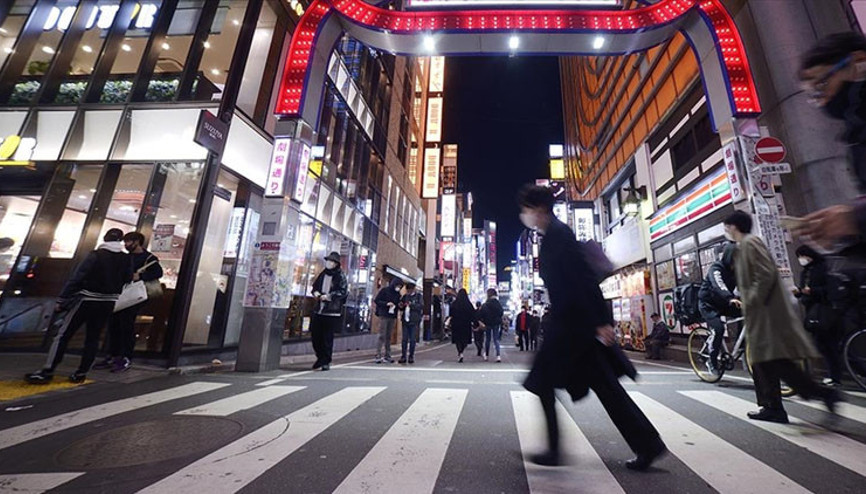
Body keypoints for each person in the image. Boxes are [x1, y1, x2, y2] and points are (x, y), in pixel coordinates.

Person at [518, 184, 666, 470]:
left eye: (526, 209)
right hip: (572, 326)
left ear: (539, 209)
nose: (524, 215)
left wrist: (600, 322)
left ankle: (555, 450)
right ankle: (648, 444)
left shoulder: (558, 236)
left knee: (546, 382)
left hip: (573, 328)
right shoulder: (553, 236)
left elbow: (582, 281)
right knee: (600, 387)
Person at [724, 211, 840, 423]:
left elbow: (765, 274)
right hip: (761, 314)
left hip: (766, 314)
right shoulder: (745, 246)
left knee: (773, 362)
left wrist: (750, 299)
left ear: (734, 226)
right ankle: (774, 407)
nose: (726, 231)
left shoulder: (750, 243)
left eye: (727, 227)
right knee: (766, 362)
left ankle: (820, 395)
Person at [26, 229, 133, 384]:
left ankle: (48, 370)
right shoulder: (125, 259)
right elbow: (128, 278)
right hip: (108, 302)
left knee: (63, 335)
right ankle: (81, 373)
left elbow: (77, 277)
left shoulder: (96, 255)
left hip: (87, 299)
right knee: (93, 338)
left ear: (105, 238)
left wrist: (62, 299)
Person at [796, 33, 866, 251]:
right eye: (814, 96)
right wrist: (848, 234)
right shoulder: (856, 133)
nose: (822, 101)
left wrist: (856, 219)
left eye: (823, 84)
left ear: (859, 62)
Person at [94, 232, 163, 373]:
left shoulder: (149, 258)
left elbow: (158, 273)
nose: (126, 244)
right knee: (114, 325)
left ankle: (125, 357)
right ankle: (112, 355)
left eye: (129, 242)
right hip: (120, 294)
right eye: (125, 242)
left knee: (126, 325)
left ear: (137, 242)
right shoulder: (124, 256)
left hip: (134, 297)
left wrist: (141, 276)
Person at [793, 245, 842, 386]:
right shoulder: (805, 272)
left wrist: (812, 291)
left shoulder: (823, 268)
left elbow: (830, 290)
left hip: (825, 310)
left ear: (809, 255)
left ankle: (835, 376)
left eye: (802, 256)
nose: (801, 259)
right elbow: (804, 292)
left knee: (829, 345)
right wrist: (799, 292)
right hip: (812, 311)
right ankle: (832, 375)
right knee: (822, 345)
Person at [697, 242, 741, 374]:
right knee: (719, 328)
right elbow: (718, 284)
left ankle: (742, 344)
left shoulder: (736, 271)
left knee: (747, 313)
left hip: (723, 303)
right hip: (708, 305)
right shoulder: (716, 268)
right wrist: (729, 297)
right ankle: (711, 360)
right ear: (729, 257)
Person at [309, 251, 348, 371]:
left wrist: (329, 296)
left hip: (332, 311)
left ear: (336, 264)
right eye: (328, 261)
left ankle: (326, 360)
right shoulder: (323, 274)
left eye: (332, 261)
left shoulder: (340, 276)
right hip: (319, 309)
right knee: (315, 336)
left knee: (327, 337)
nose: (329, 263)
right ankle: (320, 357)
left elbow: (343, 292)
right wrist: (315, 292)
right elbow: (315, 286)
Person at [374, 277, 403, 363]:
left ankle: (387, 355)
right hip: (384, 315)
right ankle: (377, 354)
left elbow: (398, 304)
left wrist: (399, 305)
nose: (398, 287)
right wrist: (386, 304)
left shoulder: (398, 294)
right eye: (398, 285)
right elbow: (377, 300)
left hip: (392, 316)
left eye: (400, 286)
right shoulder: (385, 290)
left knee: (389, 336)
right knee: (381, 335)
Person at [399, 282, 423, 364]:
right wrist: (401, 305)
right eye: (407, 290)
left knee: (412, 339)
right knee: (404, 339)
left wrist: (411, 305)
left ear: (413, 289)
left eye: (410, 290)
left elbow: (421, 306)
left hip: (414, 320)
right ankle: (403, 356)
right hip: (405, 320)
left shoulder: (419, 296)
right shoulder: (405, 297)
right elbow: (401, 306)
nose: (408, 291)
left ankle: (411, 356)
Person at [478, 288, 504, 362]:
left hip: (488, 323)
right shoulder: (498, 303)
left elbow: (481, 314)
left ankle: (486, 355)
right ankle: (498, 356)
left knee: (488, 339)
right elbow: (501, 313)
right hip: (496, 323)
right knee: (496, 339)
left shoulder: (485, 304)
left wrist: (483, 321)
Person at [450, 289, 476, 362]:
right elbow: (473, 314)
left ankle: (460, 352)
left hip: (456, 324)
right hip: (466, 324)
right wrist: (474, 322)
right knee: (465, 340)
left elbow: (451, 313)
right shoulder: (468, 304)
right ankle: (461, 351)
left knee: (458, 340)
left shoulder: (454, 303)